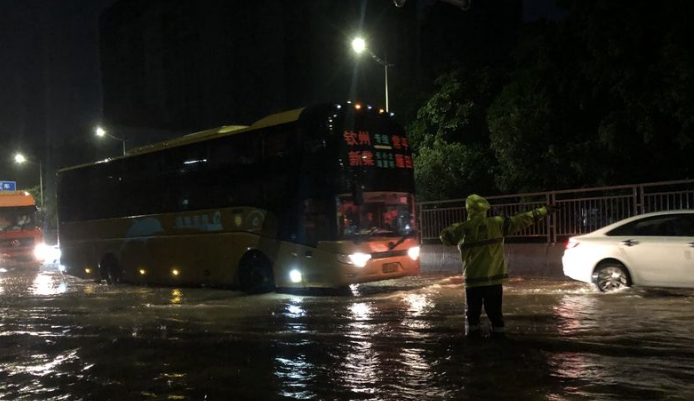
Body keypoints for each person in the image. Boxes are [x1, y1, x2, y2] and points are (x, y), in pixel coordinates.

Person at [439, 194, 556, 339]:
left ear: (468, 209)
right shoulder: (497, 224)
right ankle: (499, 346)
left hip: (473, 281)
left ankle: (472, 345)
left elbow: (445, 237)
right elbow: (521, 220)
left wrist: (456, 227)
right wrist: (543, 211)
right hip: (493, 280)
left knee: (472, 315)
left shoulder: (462, 229)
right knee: (495, 315)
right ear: (485, 209)